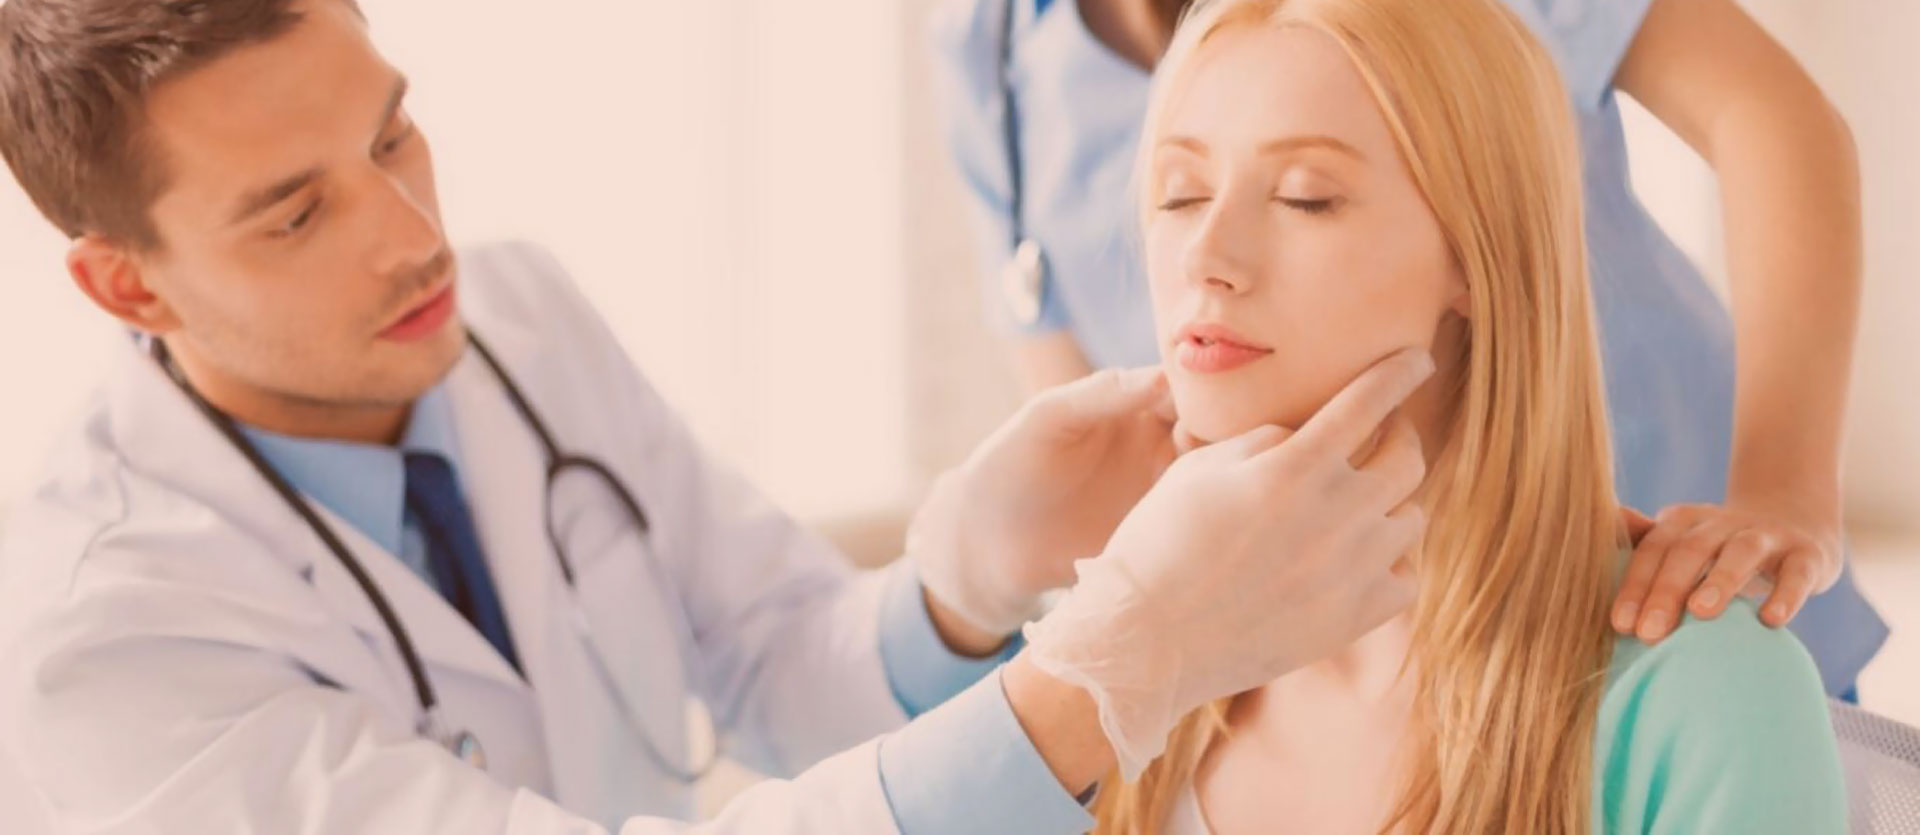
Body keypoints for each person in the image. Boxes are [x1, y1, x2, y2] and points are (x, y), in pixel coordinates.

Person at [0, 0, 1431, 832]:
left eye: (392, 133)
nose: (412, 235)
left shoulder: (516, 320)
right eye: (296, 213)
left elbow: (775, 657)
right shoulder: (102, 644)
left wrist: (966, 578)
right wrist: (1110, 672)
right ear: (127, 282)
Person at [1030, 0, 1846, 830]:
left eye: (1307, 198)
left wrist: (1786, 489)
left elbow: (1771, 118)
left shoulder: (1702, 696)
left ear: (1476, 254)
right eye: (1179, 196)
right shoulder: (1109, 684)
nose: (1205, 256)